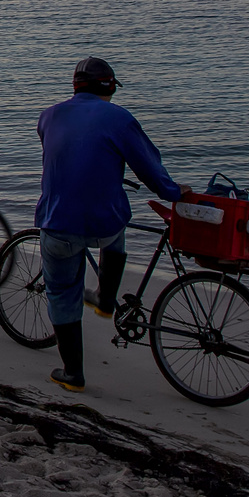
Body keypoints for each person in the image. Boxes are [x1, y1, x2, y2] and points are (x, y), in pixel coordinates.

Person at [34, 56, 190, 392]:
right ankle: (106, 299)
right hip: (104, 224)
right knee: (116, 225)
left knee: (61, 293)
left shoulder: (48, 116)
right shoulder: (118, 118)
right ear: (108, 87)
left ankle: (73, 373)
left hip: (56, 221)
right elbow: (149, 170)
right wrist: (175, 193)